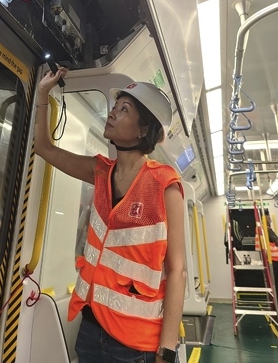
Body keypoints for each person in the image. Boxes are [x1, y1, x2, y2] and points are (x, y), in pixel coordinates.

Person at [34, 68, 186, 363]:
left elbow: (177, 270)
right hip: (91, 330)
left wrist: (166, 351)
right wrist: (42, 94)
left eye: (124, 109)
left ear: (143, 130)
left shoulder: (164, 184)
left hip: (136, 344)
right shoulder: (100, 171)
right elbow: (43, 148)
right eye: (115, 106)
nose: (113, 113)